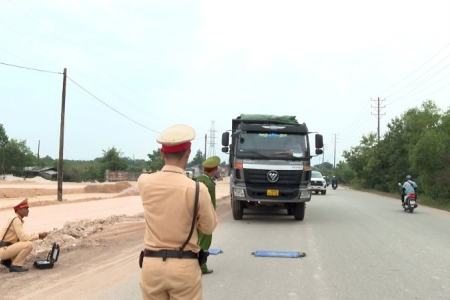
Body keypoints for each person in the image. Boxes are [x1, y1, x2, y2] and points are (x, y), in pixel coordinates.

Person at [138, 124, 218, 300]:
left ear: (162, 153)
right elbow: (208, 227)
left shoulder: (145, 182)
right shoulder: (198, 189)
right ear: (188, 154)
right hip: (184, 266)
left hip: (151, 265)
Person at [0, 198, 49, 272]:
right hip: (3, 249)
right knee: (28, 244)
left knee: (22, 244)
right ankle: (16, 265)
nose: (28, 210)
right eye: (26, 208)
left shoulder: (15, 218)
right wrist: (38, 236)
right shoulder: (16, 219)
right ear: (19, 210)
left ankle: (7, 260)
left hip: (4, 248)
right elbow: (23, 238)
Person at [196, 155, 220, 275]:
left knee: (194, 241)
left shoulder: (196, 179)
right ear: (214, 170)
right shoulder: (209, 184)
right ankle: (202, 266)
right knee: (205, 242)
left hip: (193, 217)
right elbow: (209, 203)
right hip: (205, 217)